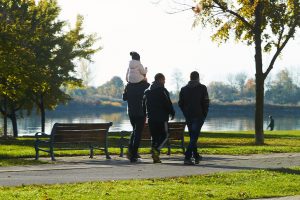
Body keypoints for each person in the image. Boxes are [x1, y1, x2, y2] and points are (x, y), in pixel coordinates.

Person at [178, 71, 209, 165]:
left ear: (190, 78)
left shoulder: (183, 89)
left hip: (189, 116)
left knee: (193, 136)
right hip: (199, 115)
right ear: (198, 78)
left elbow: (180, 103)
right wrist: (204, 114)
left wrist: (185, 112)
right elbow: (206, 102)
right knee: (194, 137)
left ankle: (196, 156)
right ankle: (187, 157)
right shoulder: (202, 88)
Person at [143, 73, 175, 163]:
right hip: (162, 118)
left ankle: (155, 157)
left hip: (151, 118)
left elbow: (143, 105)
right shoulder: (162, 90)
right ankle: (156, 150)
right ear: (160, 80)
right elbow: (168, 103)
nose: (164, 82)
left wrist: (145, 115)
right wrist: (172, 112)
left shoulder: (147, 91)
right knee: (166, 135)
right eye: (164, 80)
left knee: (155, 137)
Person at [122, 77, 150, 163]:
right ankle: (133, 155)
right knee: (137, 133)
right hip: (141, 112)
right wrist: (145, 80)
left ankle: (131, 152)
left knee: (134, 131)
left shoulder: (128, 85)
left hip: (131, 113)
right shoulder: (145, 85)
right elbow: (148, 95)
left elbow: (124, 97)